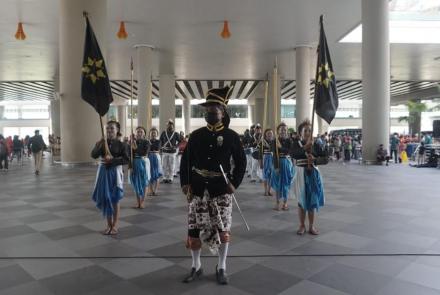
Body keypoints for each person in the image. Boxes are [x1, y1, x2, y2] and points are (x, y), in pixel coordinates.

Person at [180, 86, 246, 285]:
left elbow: (241, 162)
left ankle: (222, 266)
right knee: (193, 230)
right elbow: (186, 161)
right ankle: (196, 266)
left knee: (223, 229)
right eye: (207, 108)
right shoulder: (196, 135)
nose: (210, 112)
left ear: (223, 111)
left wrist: (234, 182)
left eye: (214, 108)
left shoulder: (232, 136)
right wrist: (186, 184)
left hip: (221, 189)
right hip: (198, 188)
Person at [91, 121, 129, 235]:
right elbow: (93, 155)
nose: (109, 131)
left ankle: (115, 225)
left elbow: (126, 160)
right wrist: (99, 144)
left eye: (112, 128)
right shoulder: (102, 143)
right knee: (106, 198)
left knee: (115, 199)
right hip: (103, 172)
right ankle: (108, 224)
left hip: (115, 173)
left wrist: (112, 161)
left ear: (117, 130)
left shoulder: (122, 145)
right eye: (107, 129)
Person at [291, 120, 327, 235]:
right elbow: (293, 154)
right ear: (300, 132)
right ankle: (302, 225)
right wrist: (305, 147)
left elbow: (326, 158)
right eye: (305, 130)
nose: (307, 132)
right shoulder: (296, 144)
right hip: (301, 173)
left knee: (312, 201)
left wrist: (315, 160)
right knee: (301, 202)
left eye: (309, 130)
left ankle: (311, 226)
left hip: (313, 175)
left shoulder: (316, 144)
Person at [270, 122, 295, 211]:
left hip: (287, 163)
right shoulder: (274, 141)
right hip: (278, 163)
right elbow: (274, 155)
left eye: (285, 129)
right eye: (281, 130)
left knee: (286, 184)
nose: (283, 131)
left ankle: (285, 203)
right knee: (277, 184)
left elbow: (291, 152)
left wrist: (281, 147)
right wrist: (276, 167)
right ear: (278, 131)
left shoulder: (290, 141)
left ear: (287, 131)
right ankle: (277, 203)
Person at [129, 126, 151, 209]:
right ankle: (138, 202)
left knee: (144, 182)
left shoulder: (146, 142)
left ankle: (142, 202)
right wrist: (129, 144)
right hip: (134, 163)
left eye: (141, 132)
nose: (139, 133)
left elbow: (144, 153)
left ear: (144, 134)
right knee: (136, 183)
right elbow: (128, 154)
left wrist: (136, 148)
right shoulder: (132, 142)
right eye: (138, 131)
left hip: (143, 162)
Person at [258, 128, 275, 196]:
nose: (270, 135)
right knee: (265, 176)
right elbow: (260, 154)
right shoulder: (262, 143)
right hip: (265, 159)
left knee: (271, 176)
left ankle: (269, 190)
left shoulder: (274, 142)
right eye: (268, 133)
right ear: (265, 135)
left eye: (271, 133)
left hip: (272, 160)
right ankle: (265, 190)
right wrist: (260, 163)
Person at [148, 127, 162, 196]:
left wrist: (151, 146)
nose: (153, 134)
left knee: (156, 174)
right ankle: (151, 190)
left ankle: (155, 190)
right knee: (150, 174)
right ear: (150, 134)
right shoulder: (148, 141)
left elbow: (157, 148)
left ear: (156, 134)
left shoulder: (158, 141)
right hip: (149, 157)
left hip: (156, 157)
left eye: (154, 133)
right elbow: (148, 149)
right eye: (152, 133)